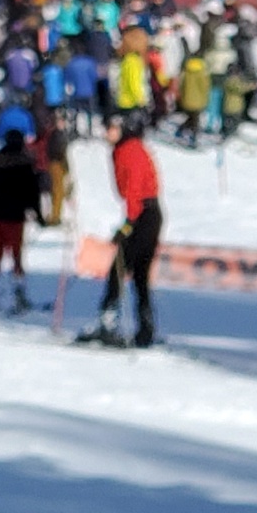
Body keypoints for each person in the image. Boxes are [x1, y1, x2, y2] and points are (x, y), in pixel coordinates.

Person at [87, 113, 162, 348]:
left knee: (119, 269)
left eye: (110, 128)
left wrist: (129, 223)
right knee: (139, 275)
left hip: (142, 214)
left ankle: (109, 322)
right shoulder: (128, 148)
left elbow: (134, 189)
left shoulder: (129, 150)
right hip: (146, 213)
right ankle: (145, 328)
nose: (106, 133)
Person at [0, 127, 46, 312]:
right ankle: (19, 293)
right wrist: (38, 215)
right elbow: (32, 193)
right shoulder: (25, 164)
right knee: (16, 254)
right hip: (15, 216)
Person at [175, 51, 210, 149]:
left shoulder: (186, 70)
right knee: (195, 121)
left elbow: (181, 85)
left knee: (190, 118)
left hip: (187, 99)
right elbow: (204, 87)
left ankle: (180, 131)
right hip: (198, 100)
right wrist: (205, 99)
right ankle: (193, 139)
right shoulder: (202, 72)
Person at [42, 117, 70, 225]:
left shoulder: (53, 134)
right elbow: (58, 150)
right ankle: (55, 217)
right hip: (56, 163)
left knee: (58, 191)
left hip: (56, 163)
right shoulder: (56, 134)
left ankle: (55, 215)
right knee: (58, 191)